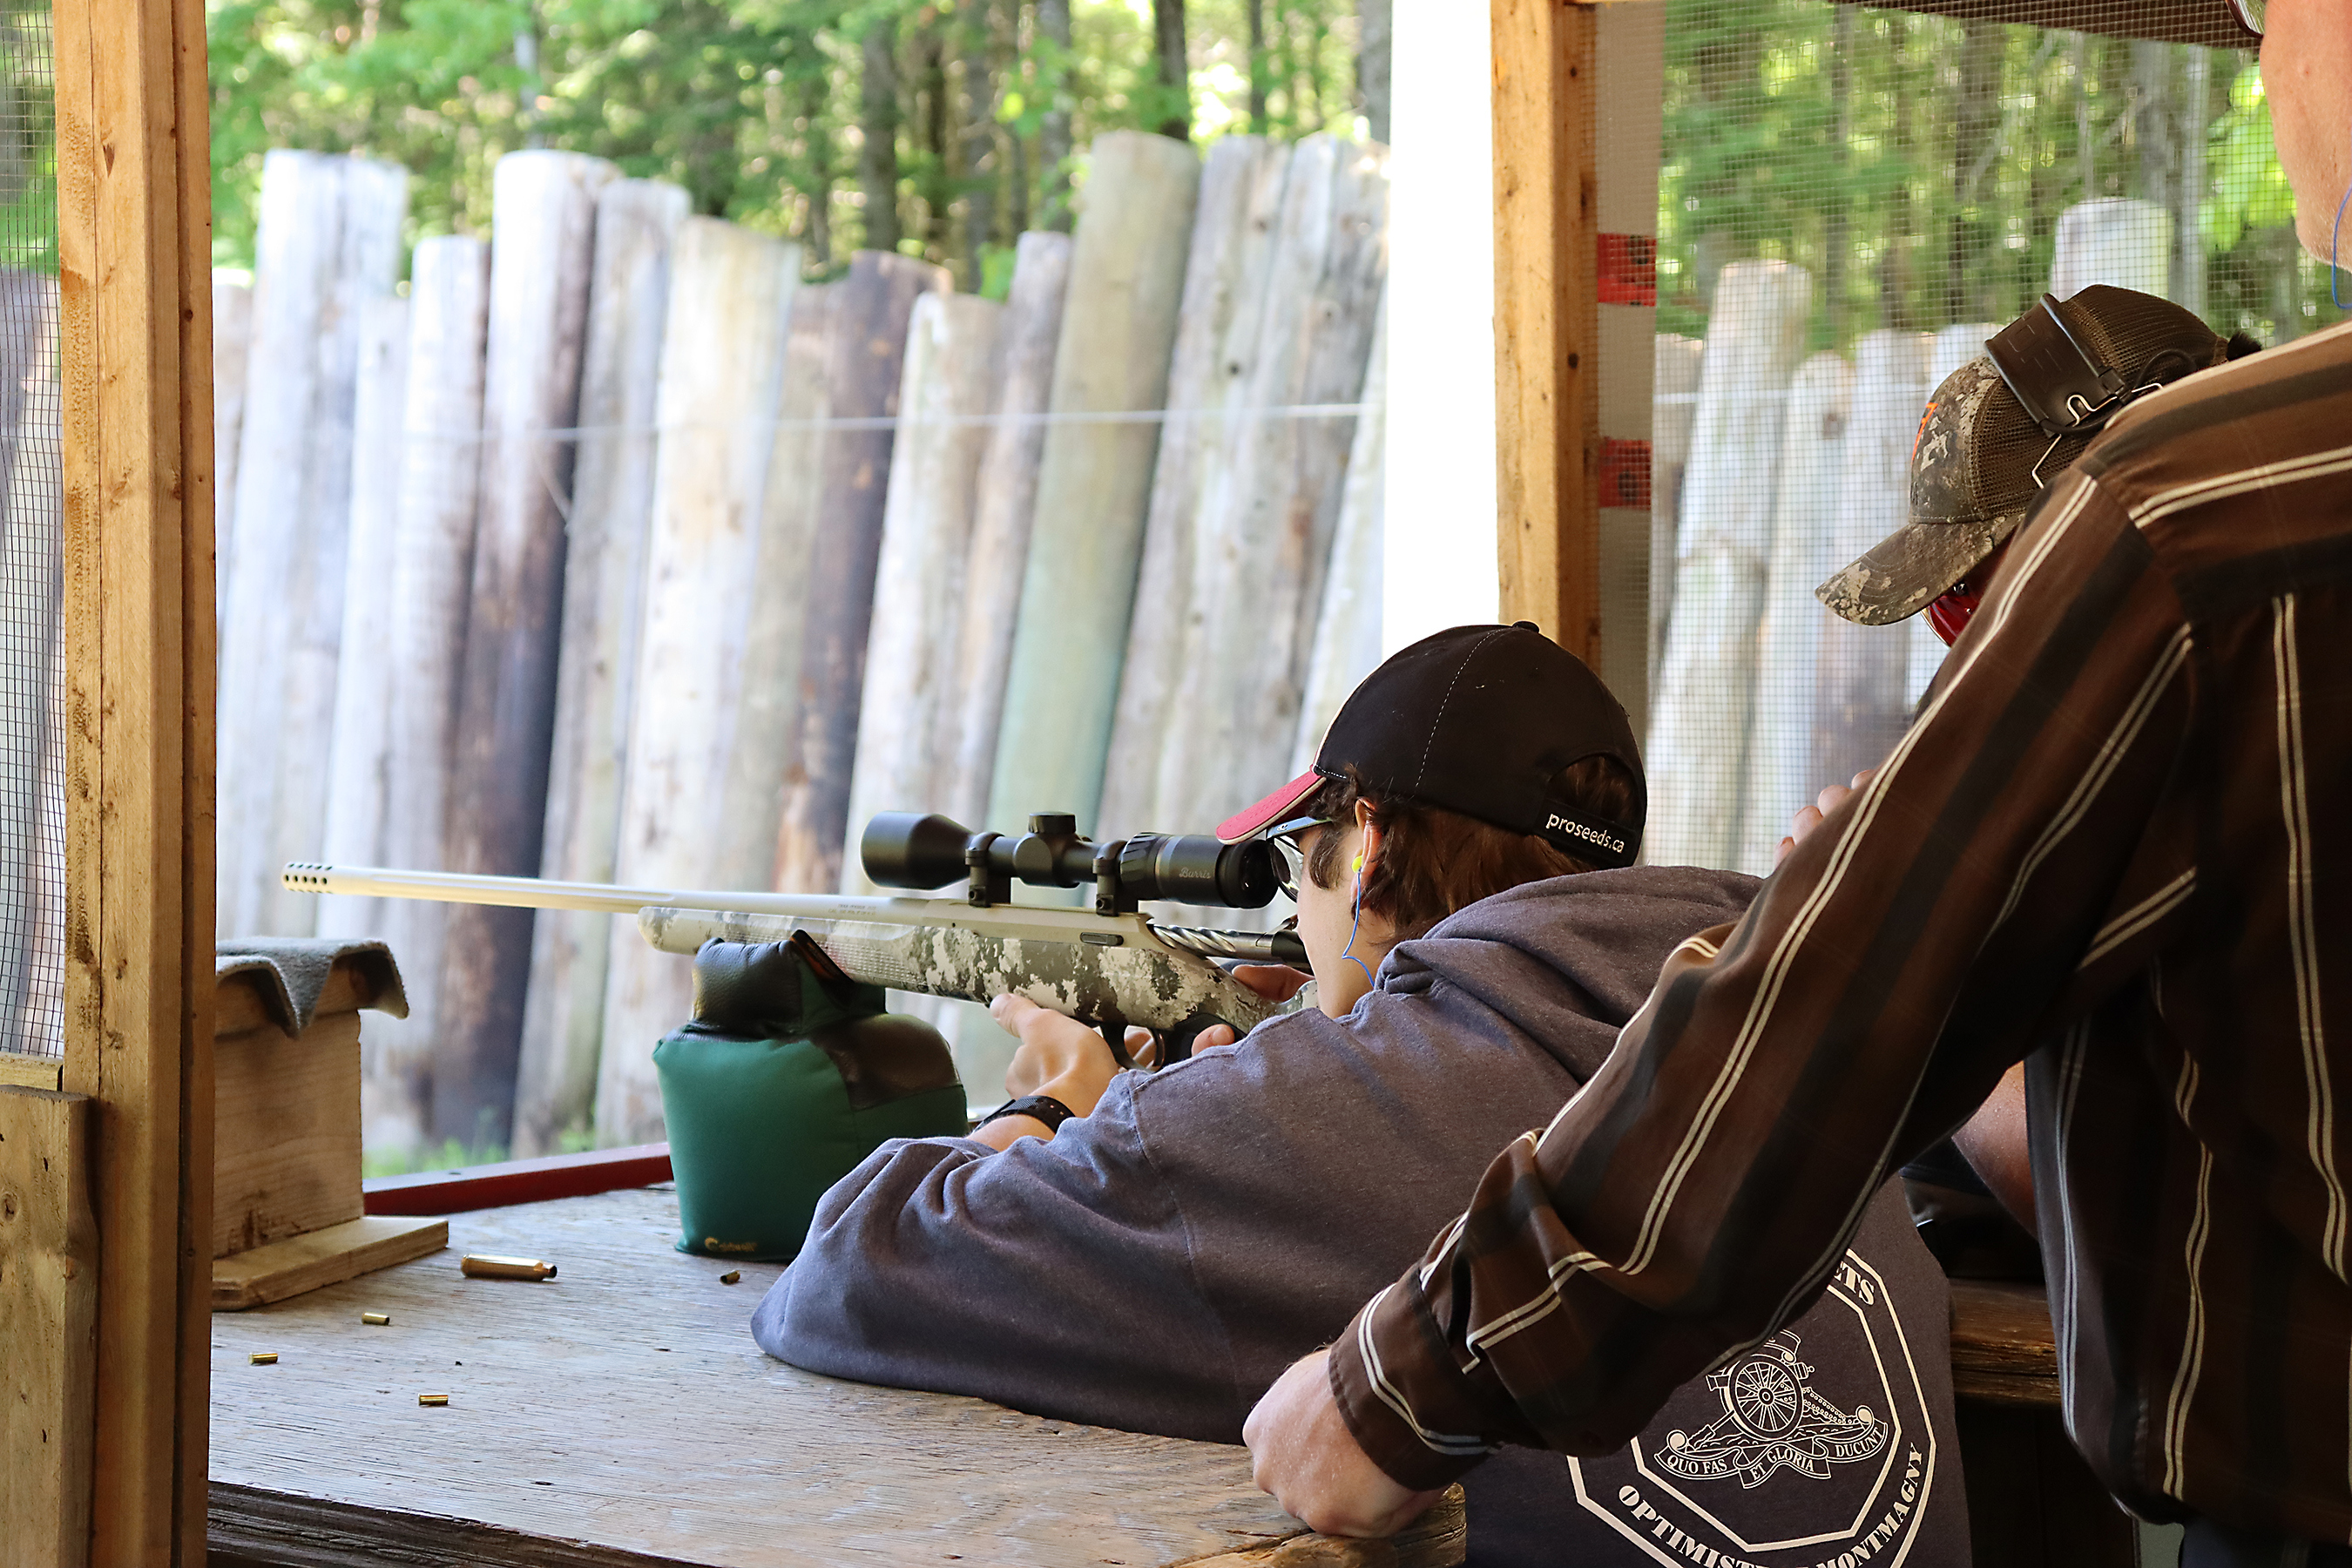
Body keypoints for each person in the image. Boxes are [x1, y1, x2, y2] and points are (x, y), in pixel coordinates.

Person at [1242, 4, 2352, 1563]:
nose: (2253, 53)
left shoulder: (2196, 518)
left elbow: (1824, 1027)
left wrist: (1401, 1382)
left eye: (2266, 8)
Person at [753, 624, 1970, 1567]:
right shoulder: (1795, 1062)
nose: (1300, 907)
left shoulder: (1328, 1102)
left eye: (1306, 861)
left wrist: (1065, 1115)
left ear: (1370, 844)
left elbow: (854, 1268)